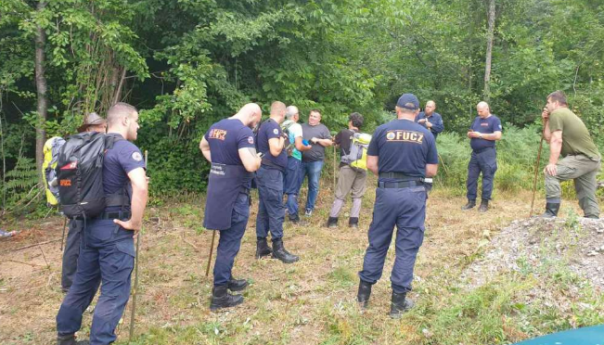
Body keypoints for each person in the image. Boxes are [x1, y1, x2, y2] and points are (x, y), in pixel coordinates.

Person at [56, 103, 148, 345]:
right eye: (136, 121)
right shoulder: (125, 148)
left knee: (82, 285)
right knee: (114, 291)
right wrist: (134, 222)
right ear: (125, 121)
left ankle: (65, 336)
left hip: (89, 226)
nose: (138, 126)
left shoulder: (91, 146)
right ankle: (101, 341)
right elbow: (140, 186)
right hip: (114, 229)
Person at [356, 93, 438, 319]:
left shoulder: (382, 131)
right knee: (407, 246)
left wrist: (389, 176)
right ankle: (397, 303)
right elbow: (432, 170)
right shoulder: (426, 134)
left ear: (397, 109)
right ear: (418, 111)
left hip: (386, 192)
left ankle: (363, 296)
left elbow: (371, 164)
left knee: (378, 241)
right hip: (413, 194)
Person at [199, 103, 262, 310]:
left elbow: (203, 146)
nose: (256, 124)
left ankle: (226, 279)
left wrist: (218, 163)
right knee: (229, 243)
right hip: (235, 195)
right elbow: (250, 165)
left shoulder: (217, 126)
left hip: (218, 192)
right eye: (257, 120)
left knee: (226, 239)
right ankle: (219, 296)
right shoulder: (243, 132)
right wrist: (258, 160)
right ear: (252, 113)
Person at [61, 112, 107, 294]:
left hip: (77, 200)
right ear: (89, 129)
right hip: (83, 201)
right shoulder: (87, 147)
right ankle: (69, 283)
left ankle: (76, 279)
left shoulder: (74, 146)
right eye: (100, 127)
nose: (104, 130)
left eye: (104, 127)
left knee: (79, 238)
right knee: (76, 240)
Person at [541, 90, 601, 218]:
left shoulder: (557, 113)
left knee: (551, 173)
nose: (546, 106)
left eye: (548, 102)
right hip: (592, 159)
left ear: (556, 103)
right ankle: (593, 219)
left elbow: (556, 140)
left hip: (582, 158)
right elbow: (548, 138)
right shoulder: (565, 113)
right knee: (586, 192)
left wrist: (552, 164)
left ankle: (551, 214)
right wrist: (545, 121)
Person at [255, 101, 299, 263]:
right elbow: (275, 149)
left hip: (266, 171)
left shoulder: (264, 125)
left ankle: (261, 245)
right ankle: (278, 248)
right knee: (276, 208)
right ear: (282, 113)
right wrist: (282, 137)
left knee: (265, 209)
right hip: (271, 173)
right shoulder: (273, 127)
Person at [327, 112, 369, 228]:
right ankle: (354, 223)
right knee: (357, 196)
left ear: (350, 122)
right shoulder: (364, 137)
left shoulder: (344, 132)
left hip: (347, 166)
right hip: (362, 168)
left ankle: (333, 221)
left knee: (340, 194)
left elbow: (334, 143)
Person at [461, 101, 502, 212]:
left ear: (487, 109)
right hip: (475, 154)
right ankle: (471, 201)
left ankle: (484, 203)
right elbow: (470, 132)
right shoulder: (476, 119)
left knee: (487, 178)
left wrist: (480, 135)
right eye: (478, 111)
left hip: (487, 153)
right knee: (471, 178)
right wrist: (470, 134)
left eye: (481, 111)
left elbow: (498, 136)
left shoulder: (494, 120)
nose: (479, 113)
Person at [300, 110, 333, 217]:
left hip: (316, 161)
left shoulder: (323, 128)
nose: (312, 118)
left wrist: (318, 140)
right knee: (295, 183)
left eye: (315, 116)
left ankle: (309, 208)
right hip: (300, 160)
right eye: (311, 116)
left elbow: (329, 142)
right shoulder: (301, 126)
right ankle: (290, 206)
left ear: (319, 118)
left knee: (313, 185)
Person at [282, 106, 312, 223]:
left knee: (281, 187)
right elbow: (299, 146)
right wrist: (307, 147)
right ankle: (294, 217)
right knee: (292, 189)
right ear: (295, 116)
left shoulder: (281, 125)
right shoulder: (296, 126)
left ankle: (278, 214)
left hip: (281, 159)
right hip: (293, 158)